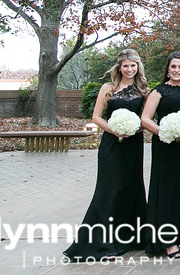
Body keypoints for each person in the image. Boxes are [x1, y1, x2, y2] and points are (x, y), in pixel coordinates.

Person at [63, 49, 149, 261]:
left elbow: (146, 118)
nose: (129, 69)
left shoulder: (143, 90)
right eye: (126, 65)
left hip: (133, 144)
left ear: (138, 67)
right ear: (119, 67)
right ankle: (101, 243)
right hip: (111, 143)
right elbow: (96, 117)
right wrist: (114, 129)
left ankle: (129, 239)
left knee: (131, 187)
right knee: (109, 189)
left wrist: (135, 129)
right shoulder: (108, 88)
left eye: (133, 65)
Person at [141, 52, 180, 259]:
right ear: (168, 69)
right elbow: (145, 119)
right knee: (166, 189)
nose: (177, 70)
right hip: (165, 147)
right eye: (173, 67)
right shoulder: (159, 91)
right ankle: (167, 242)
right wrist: (164, 132)